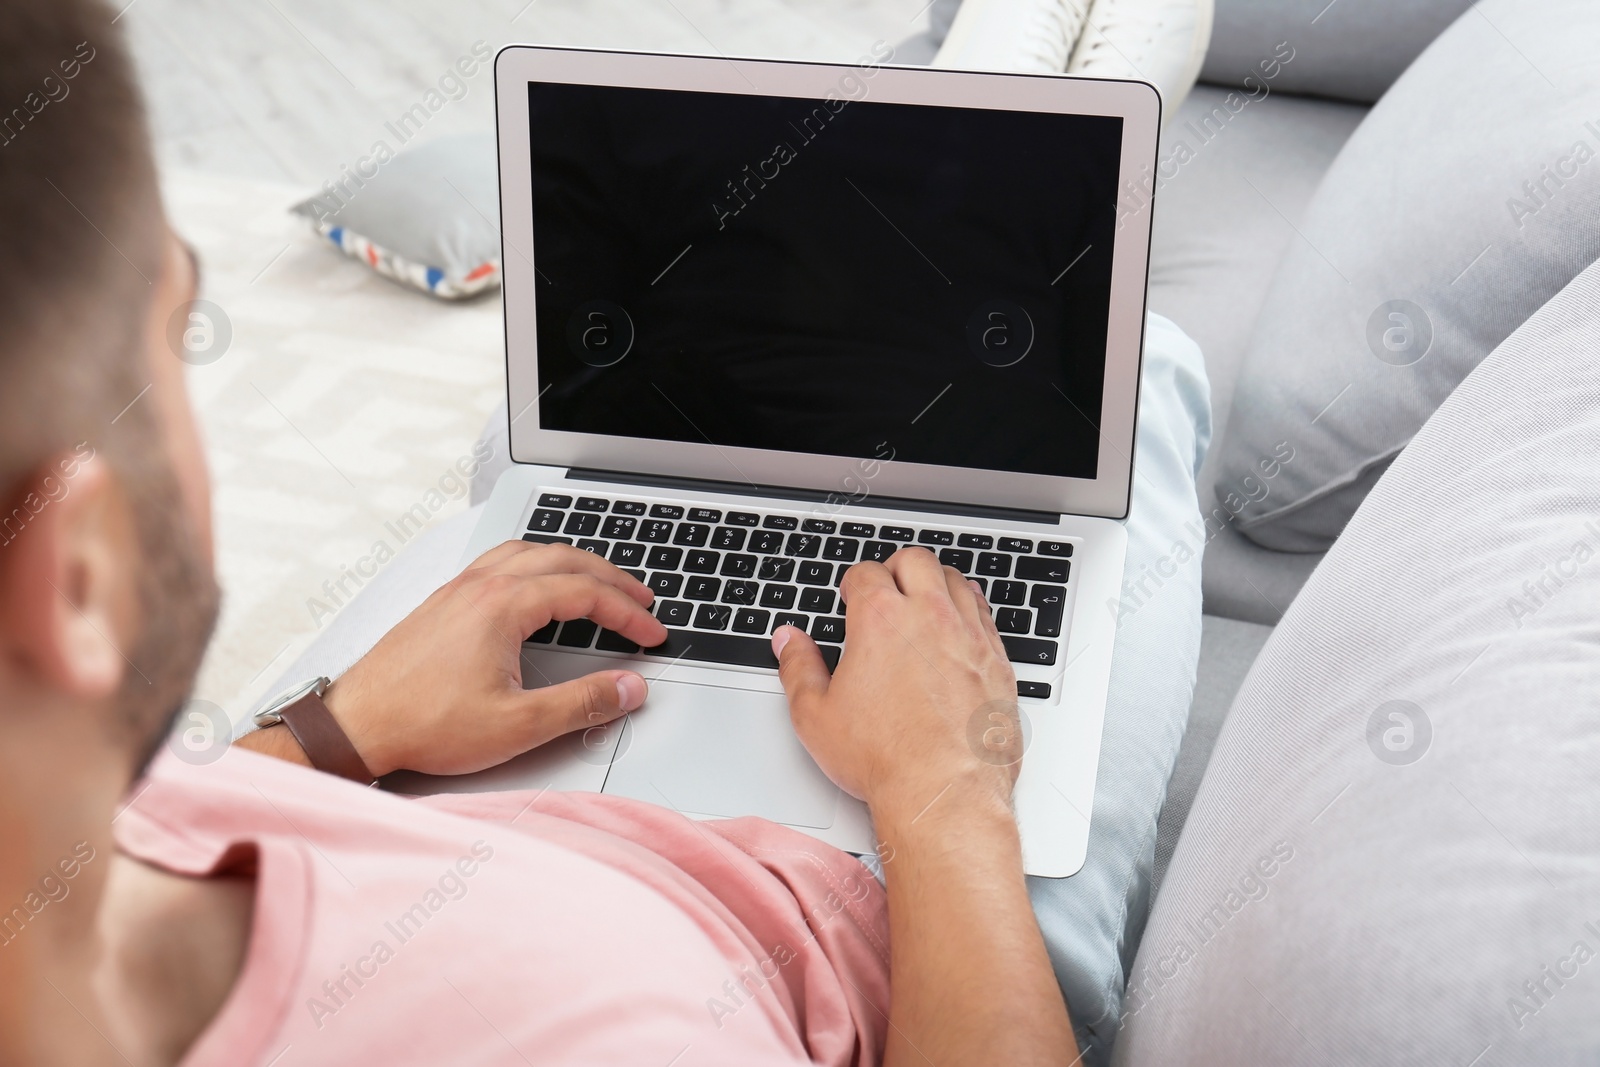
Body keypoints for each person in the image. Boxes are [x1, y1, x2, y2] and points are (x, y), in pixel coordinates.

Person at [1, 2, 1212, 1063]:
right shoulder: (611, 1025)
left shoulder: (73, 830)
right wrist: (946, 786)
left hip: (448, 758)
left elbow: (148, 833)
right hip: (907, 889)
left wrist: (335, 729)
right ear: (78, 575)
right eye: (177, 330)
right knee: (1128, 355)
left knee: (582, 433)